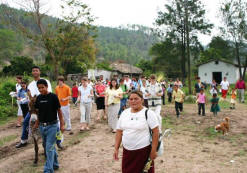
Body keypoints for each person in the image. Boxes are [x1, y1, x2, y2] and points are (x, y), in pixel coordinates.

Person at [114, 91, 159, 173]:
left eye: (136, 99)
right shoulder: (124, 113)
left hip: (143, 152)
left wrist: (153, 150)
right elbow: (119, 131)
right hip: (127, 152)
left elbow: (156, 132)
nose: (133, 101)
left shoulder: (148, 113)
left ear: (142, 100)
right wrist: (116, 148)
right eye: (131, 99)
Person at [16, 66, 52, 148]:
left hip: (44, 106)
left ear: (40, 72)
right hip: (34, 109)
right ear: (32, 73)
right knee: (25, 122)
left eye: (36, 70)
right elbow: (29, 96)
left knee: (51, 124)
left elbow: (49, 93)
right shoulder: (31, 85)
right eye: (33, 71)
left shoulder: (46, 81)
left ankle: (57, 140)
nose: (35, 72)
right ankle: (23, 140)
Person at [34, 79, 65, 173]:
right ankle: (55, 164)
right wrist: (37, 123)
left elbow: (59, 111)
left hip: (52, 126)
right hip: (42, 127)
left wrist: (62, 125)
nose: (41, 90)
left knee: (48, 148)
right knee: (49, 147)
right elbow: (38, 113)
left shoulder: (53, 97)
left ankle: (48, 170)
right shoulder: (38, 98)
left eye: (42, 87)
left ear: (47, 86)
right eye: (39, 88)